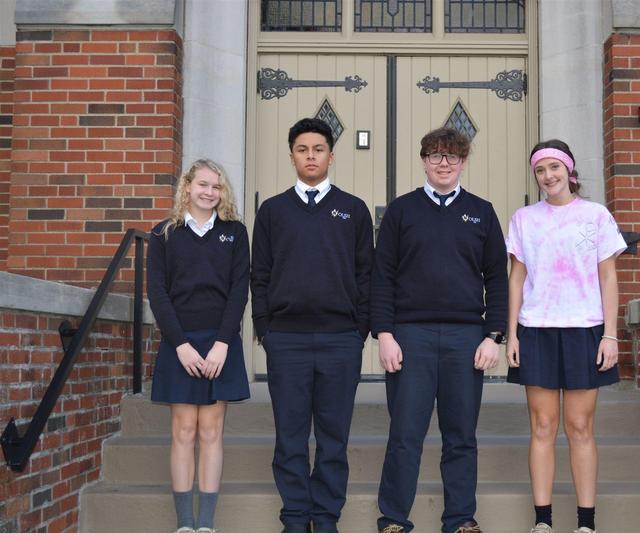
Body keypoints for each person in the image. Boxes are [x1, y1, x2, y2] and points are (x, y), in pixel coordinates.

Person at [371, 127, 509, 533]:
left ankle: (461, 519)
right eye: (435, 156)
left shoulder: (482, 212)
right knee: (404, 434)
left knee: (461, 435)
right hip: (409, 336)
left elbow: (496, 280)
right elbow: (382, 276)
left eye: (451, 156)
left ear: (463, 162)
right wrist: (385, 333)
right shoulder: (401, 211)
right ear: (423, 161)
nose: (443, 163)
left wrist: (493, 335)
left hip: (466, 338)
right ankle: (394, 519)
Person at [250, 118, 373, 533]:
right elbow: (260, 274)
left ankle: (326, 517)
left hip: (341, 340)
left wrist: (360, 331)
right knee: (290, 437)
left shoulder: (353, 209)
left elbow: (366, 274)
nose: (310, 156)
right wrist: (265, 328)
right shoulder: (272, 211)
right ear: (292, 157)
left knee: (333, 438)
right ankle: (296, 517)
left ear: (331, 155)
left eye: (318, 149)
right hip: (287, 340)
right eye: (302, 150)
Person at [505, 139, 628, 533]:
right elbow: (517, 278)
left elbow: (608, 276)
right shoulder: (524, 218)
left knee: (579, 427)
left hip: (584, 330)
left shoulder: (595, 215)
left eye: (554, 168)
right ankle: (542, 521)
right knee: (542, 426)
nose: (548, 176)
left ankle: (585, 523)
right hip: (537, 329)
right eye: (540, 170)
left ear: (569, 170)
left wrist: (610, 335)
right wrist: (511, 334)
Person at [147, 159, 251, 533]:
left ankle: (206, 523)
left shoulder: (235, 233)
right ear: (187, 187)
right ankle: (185, 523)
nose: (210, 192)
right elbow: (157, 294)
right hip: (181, 343)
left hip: (219, 341)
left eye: (217, 187)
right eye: (203, 184)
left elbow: (239, 290)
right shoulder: (163, 234)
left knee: (210, 430)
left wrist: (223, 343)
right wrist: (181, 346)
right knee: (183, 431)